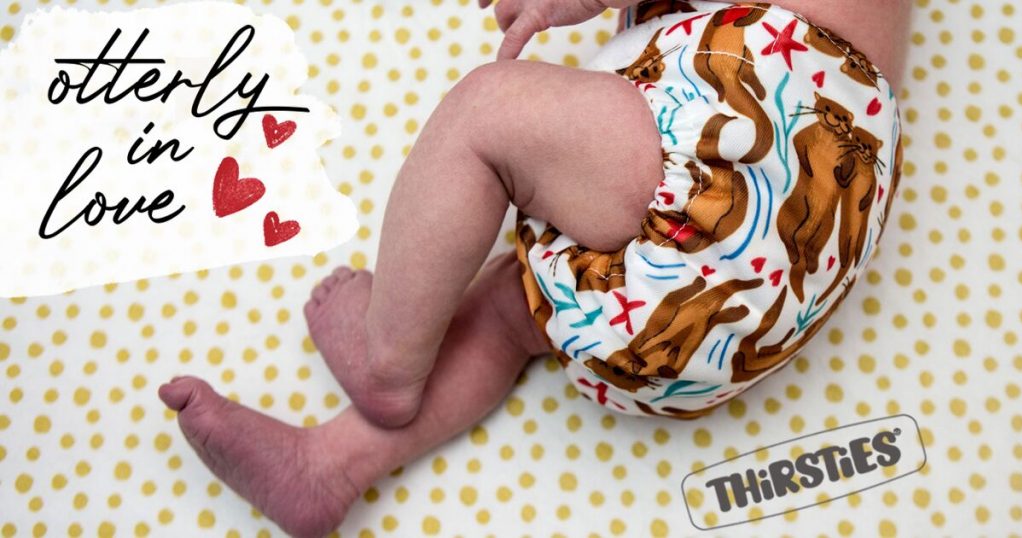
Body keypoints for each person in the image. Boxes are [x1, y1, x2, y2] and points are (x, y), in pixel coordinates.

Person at [158, 1, 910, 535]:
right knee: (510, 312)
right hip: (759, 293)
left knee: (485, 114)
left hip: (742, 169)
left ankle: (389, 360)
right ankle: (329, 465)